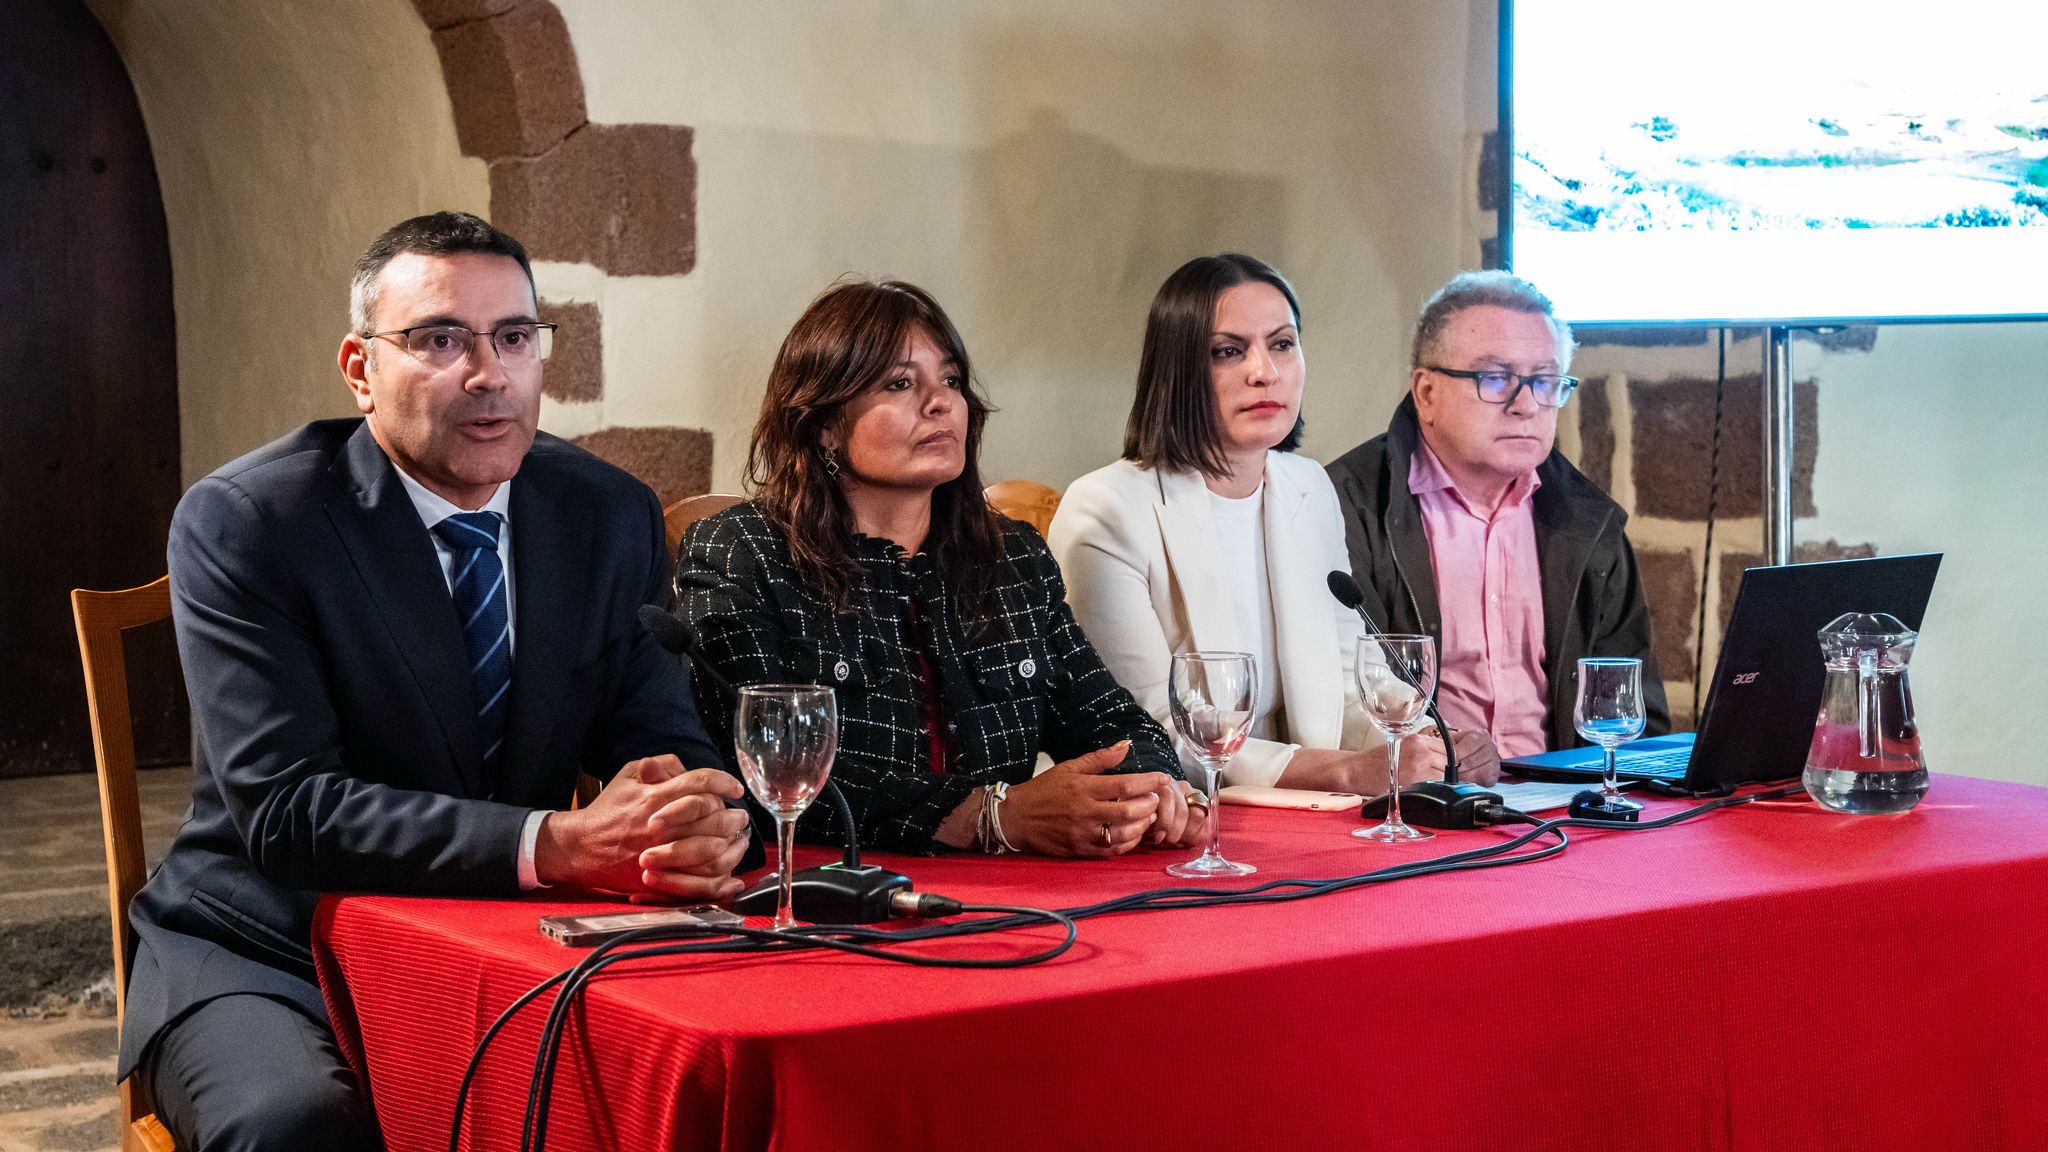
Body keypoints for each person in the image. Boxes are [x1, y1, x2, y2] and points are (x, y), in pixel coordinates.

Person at [126, 212, 753, 1151]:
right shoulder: (252, 521)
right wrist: (564, 842)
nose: (488, 373)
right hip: (274, 947)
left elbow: (662, 744)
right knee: (292, 1125)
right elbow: (289, 810)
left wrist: (693, 821)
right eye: (439, 340)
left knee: (704, 1076)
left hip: (507, 945)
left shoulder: (605, 513)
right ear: (359, 368)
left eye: (513, 338)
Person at [677, 279, 1206, 857]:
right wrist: (991, 815)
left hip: (1014, 893)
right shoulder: (743, 553)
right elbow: (756, 766)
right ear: (824, 422)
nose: (940, 402)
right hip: (830, 883)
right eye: (900, 383)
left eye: (950, 380)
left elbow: (1111, 720)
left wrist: (1157, 789)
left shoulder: (1014, 558)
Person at [1049, 254, 1499, 794]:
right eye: (1227, 351)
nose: (1264, 371)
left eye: (1282, 344)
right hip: (1178, 817)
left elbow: (1350, 676)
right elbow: (1148, 731)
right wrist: (1345, 771)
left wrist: (1429, 743)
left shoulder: (1307, 487)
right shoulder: (1105, 508)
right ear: (1176, 370)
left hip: (1308, 815)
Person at [1326, 270, 1669, 757]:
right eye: (1496, 378)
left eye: (1545, 381)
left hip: (1565, 802)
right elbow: (1339, 705)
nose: (1526, 405)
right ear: (1426, 393)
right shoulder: (1344, 505)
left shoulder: (1590, 522)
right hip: (1421, 805)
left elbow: (1636, 715)